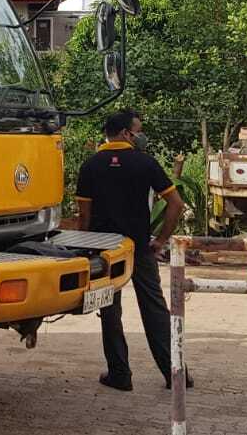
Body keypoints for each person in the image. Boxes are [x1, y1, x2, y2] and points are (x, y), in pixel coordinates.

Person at [74, 109, 190, 392]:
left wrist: (87, 249)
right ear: (126, 133)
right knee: (154, 309)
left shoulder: (90, 166)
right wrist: (161, 240)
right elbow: (176, 204)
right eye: (138, 130)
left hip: (105, 252)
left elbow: (84, 218)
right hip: (139, 248)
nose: (140, 135)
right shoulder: (145, 164)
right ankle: (175, 375)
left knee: (110, 311)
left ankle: (120, 375)